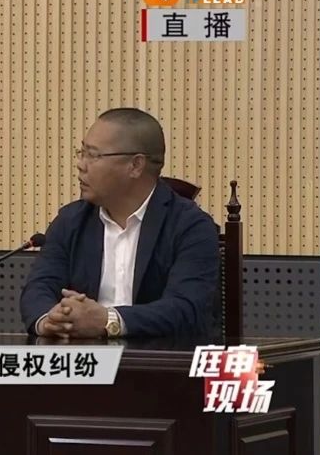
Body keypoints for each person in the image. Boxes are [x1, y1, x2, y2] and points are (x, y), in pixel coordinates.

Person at [20, 108, 219, 338]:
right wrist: (50, 320)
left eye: (93, 155)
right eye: (82, 152)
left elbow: (186, 309)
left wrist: (109, 321)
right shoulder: (71, 221)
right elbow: (38, 288)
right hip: (85, 357)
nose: (81, 164)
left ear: (135, 165)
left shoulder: (190, 226)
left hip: (160, 356)